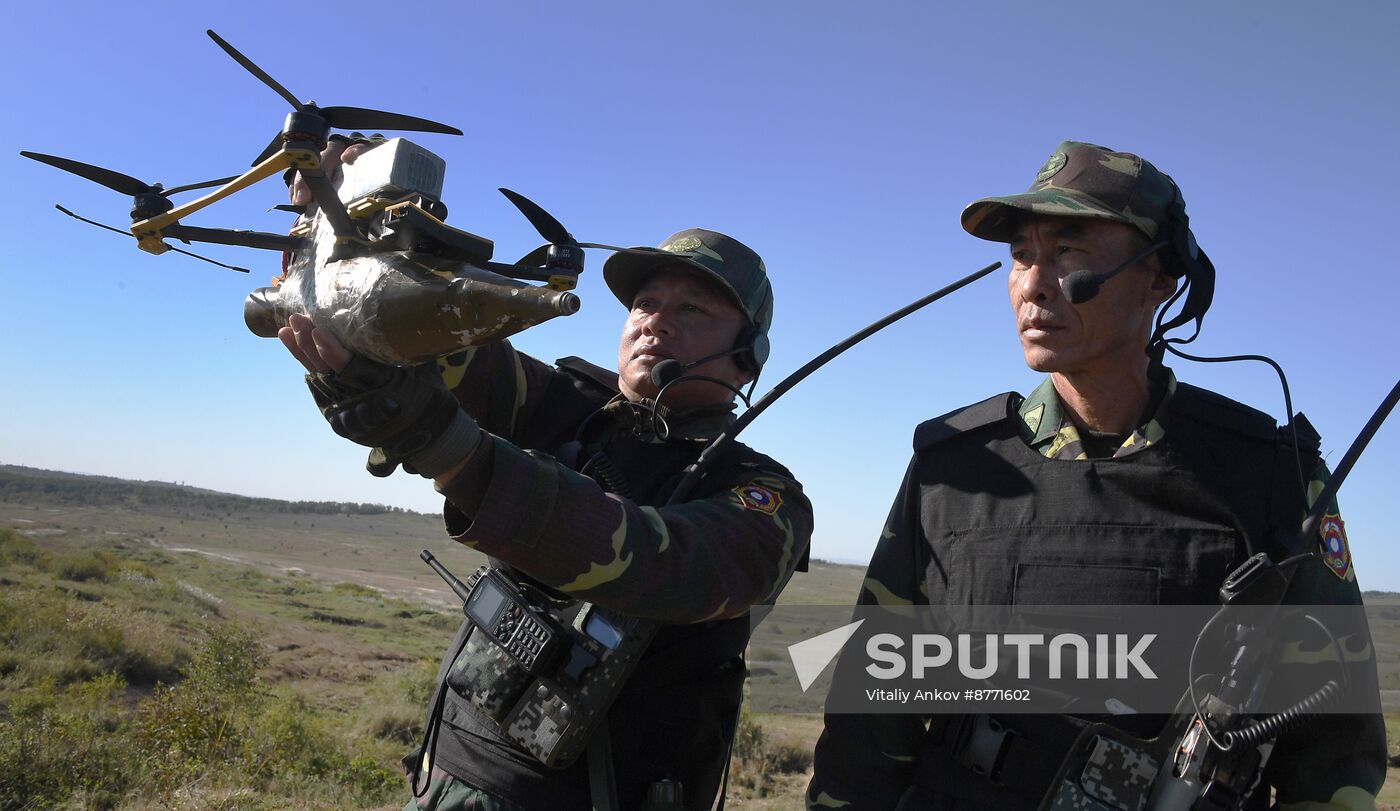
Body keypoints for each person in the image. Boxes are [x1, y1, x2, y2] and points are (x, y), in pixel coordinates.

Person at [805, 141, 1384, 811]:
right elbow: (869, 724)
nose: (1032, 283)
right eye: (1021, 254)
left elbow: (1334, 750)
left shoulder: (1272, 476)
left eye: (1069, 251)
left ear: (1160, 277)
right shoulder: (955, 469)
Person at [277, 170, 813, 810]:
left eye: (691, 309)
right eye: (645, 303)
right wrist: (342, 224)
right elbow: (429, 349)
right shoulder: (569, 406)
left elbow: (666, 563)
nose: (654, 323)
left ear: (748, 352)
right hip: (448, 780)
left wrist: (452, 453)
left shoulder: (762, 495)